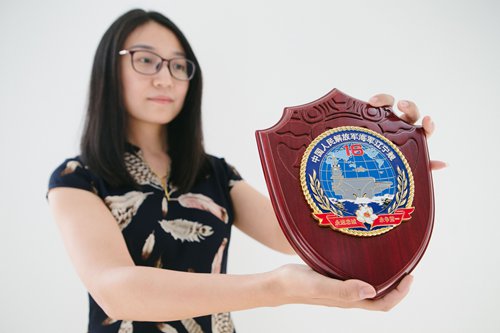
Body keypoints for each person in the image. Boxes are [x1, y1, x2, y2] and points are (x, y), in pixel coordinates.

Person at [47, 8, 446, 333]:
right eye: (147, 60)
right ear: (107, 69)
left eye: (178, 65)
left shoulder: (215, 174)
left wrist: (386, 170)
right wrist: (275, 288)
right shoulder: (76, 179)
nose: (165, 76)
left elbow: (302, 233)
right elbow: (117, 292)